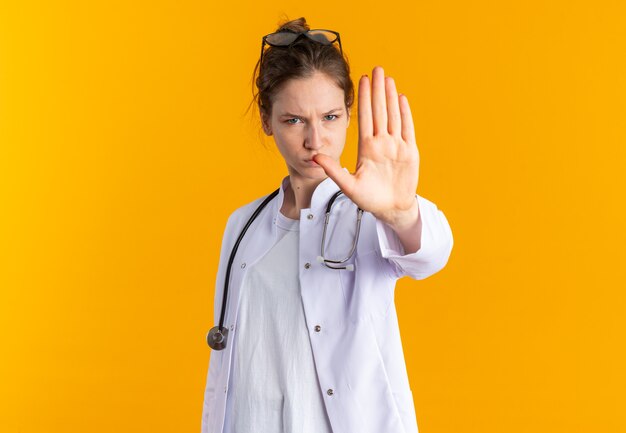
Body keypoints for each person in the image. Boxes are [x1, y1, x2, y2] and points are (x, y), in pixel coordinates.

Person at [202, 17, 454, 433]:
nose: (315, 140)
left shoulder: (370, 216)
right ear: (267, 121)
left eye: (331, 117)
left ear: (350, 114)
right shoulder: (242, 225)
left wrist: (399, 211)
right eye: (294, 120)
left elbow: (431, 254)